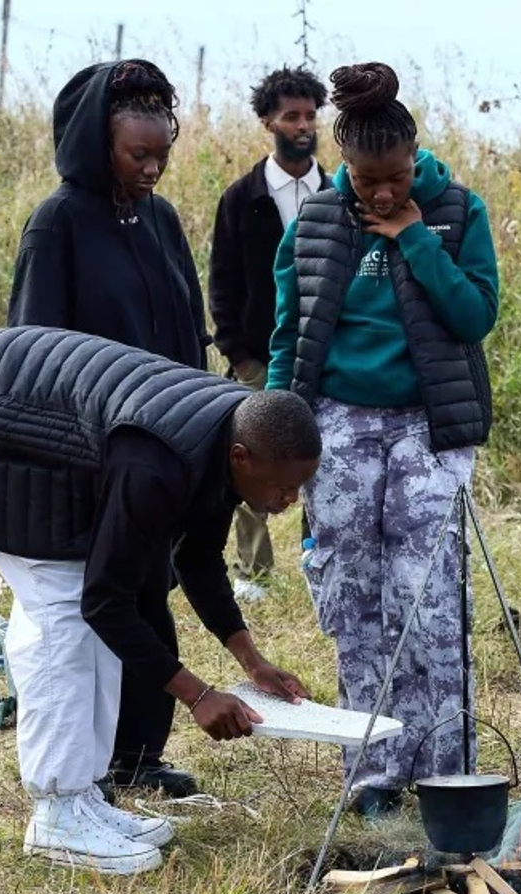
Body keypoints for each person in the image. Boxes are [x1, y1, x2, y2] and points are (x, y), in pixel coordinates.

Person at [0, 325, 318, 875]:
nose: (290, 501)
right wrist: (197, 695)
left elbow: (198, 559)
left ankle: (84, 796)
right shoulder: (158, 462)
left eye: (299, 488)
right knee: (61, 607)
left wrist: (252, 661)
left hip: (44, 412)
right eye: (284, 487)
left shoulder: (230, 439)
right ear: (242, 457)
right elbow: (104, 601)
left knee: (82, 599)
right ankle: (57, 814)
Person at [267, 62, 500, 817]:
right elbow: (288, 337)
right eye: (369, 182)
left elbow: (474, 316)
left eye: (397, 178)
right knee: (354, 602)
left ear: (414, 157)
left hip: (428, 426)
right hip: (339, 423)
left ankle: (445, 772)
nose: (385, 193)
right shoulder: (315, 222)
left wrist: (414, 239)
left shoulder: (457, 211)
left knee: (427, 601)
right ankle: (372, 774)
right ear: (347, 166)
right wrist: (278, 439)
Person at [8, 59, 210, 797]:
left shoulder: (160, 219)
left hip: (162, 448)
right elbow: (32, 352)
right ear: (99, 146)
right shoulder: (57, 222)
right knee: (104, 604)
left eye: (162, 154)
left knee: (153, 589)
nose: (152, 169)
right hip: (89, 455)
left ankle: (139, 757)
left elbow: (188, 332)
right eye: (137, 155)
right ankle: (95, 762)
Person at [209, 66, 330, 599]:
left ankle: (318, 558)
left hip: (327, 357)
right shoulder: (242, 197)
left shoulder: (338, 192)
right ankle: (253, 571)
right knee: (250, 457)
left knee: (324, 459)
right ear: (268, 122)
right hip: (258, 358)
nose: (303, 126)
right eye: (291, 116)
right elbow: (222, 285)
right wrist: (240, 357)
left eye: (310, 115)